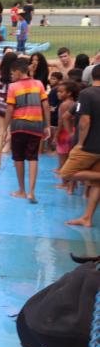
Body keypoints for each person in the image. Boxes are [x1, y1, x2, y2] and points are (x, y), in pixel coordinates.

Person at [3, 58, 50, 203]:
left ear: (18, 72)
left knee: (18, 157)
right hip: (36, 125)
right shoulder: (39, 84)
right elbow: (45, 106)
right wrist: (47, 126)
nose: (11, 76)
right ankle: (32, 192)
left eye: (12, 73)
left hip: (19, 126)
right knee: (33, 157)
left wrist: (4, 129)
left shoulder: (13, 87)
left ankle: (22, 190)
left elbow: (10, 109)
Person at [61, 66, 100, 227]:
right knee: (97, 184)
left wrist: (80, 143)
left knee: (66, 173)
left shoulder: (87, 94)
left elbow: (85, 121)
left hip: (89, 146)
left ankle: (87, 218)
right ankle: (87, 217)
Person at [0, 52, 18, 170]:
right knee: (13, 132)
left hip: (0, 104)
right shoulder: (15, 76)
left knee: (0, 133)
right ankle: (16, 161)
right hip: (13, 105)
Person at [55, 81, 79, 193]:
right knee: (71, 159)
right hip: (74, 132)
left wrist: (56, 135)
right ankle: (72, 183)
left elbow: (61, 121)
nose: (58, 94)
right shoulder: (75, 103)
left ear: (69, 93)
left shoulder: (64, 105)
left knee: (63, 160)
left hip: (64, 133)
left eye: (61, 92)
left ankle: (65, 183)